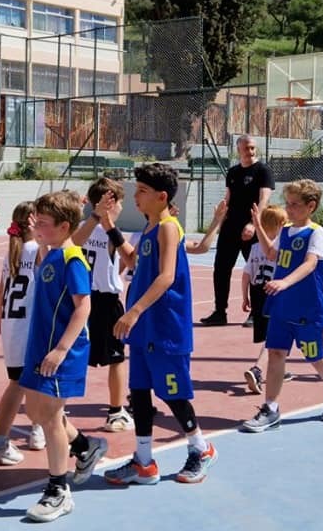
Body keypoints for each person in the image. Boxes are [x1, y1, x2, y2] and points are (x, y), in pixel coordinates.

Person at [104, 163, 217, 485]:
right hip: (143, 328)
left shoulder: (168, 227)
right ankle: (143, 461)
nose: (136, 196)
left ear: (162, 196)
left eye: (142, 191)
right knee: (139, 393)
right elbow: (133, 262)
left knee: (173, 393)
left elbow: (166, 276)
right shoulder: (150, 229)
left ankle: (201, 448)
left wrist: (134, 311)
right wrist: (109, 224)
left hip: (165, 325)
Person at [19, 191, 109, 522]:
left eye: (43, 223)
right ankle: (86, 446)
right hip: (39, 347)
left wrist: (60, 349)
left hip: (62, 350)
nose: (37, 227)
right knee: (35, 411)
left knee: (52, 417)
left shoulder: (73, 259)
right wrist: (39, 239)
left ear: (64, 226)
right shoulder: (52, 254)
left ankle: (58, 490)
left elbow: (83, 306)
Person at [240, 180, 323, 433]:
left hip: (306, 307)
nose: (288, 209)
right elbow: (270, 253)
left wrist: (284, 281)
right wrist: (258, 225)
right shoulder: (286, 231)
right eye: (287, 203)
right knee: (276, 353)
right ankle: (271, 408)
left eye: (295, 205)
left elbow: (310, 264)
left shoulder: (316, 233)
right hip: (282, 306)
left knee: (314, 354)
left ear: (311, 206)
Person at [0, 202, 46, 466]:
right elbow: (48, 266)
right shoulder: (34, 249)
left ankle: (18, 434)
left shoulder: (14, 250)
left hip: (12, 323)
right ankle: (34, 430)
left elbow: (0, 291)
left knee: (19, 382)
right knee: (34, 383)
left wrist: (0, 316)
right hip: (28, 326)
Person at [71, 178, 134, 432]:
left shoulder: (80, 229)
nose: (121, 208)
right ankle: (116, 412)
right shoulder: (108, 233)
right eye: (119, 202)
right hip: (104, 302)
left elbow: (75, 243)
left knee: (73, 354)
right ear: (111, 203)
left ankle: (54, 409)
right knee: (117, 359)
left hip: (80, 300)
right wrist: (103, 221)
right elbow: (132, 260)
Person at [201, 135, 274, 326]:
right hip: (230, 228)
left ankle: (256, 313)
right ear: (238, 149)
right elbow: (228, 197)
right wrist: (220, 217)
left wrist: (253, 223)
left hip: (252, 228)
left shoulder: (263, 171)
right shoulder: (233, 172)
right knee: (221, 269)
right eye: (246, 148)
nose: (250, 152)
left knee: (256, 270)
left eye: (252, 148)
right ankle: (219, 312)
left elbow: (264, 200)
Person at [241, 205, 287, 395]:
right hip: (274, 292)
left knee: (274, 336)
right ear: (280, 224)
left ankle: (277, 368)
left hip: (257, 292)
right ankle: (258, 370)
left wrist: (245, 296)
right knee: (275, 336)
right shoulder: (280, 246)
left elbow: (245, 274)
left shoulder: (254, 247)